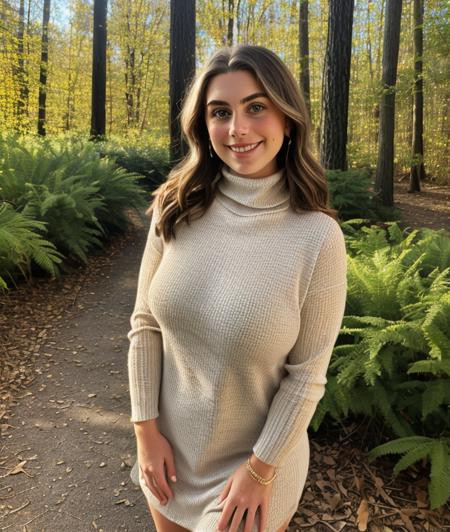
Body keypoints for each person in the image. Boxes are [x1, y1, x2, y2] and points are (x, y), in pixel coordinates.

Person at [127, 44, 347, 532]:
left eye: (256, 107)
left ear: (287, 120)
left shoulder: (316, 238)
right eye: (220, 112)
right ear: (203, 126)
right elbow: (145, 325)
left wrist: (260, 471)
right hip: (167, 455)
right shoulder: (175, 206)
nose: (237, 129)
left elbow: (306, 376)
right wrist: (146, 430)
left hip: (252, 471)